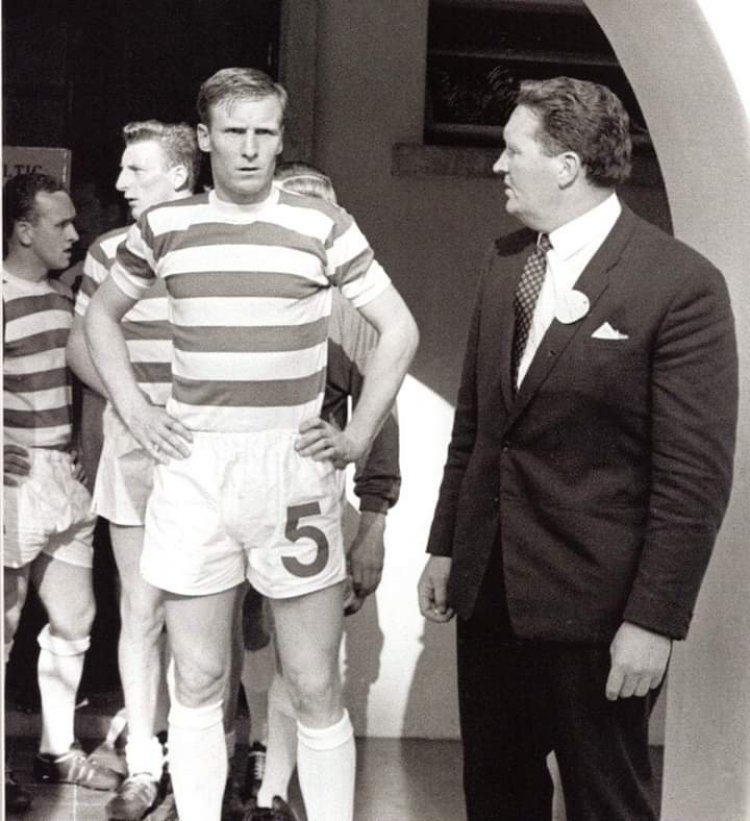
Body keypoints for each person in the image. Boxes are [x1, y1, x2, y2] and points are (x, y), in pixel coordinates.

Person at [83, 67, 419, 821]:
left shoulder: (320, 224)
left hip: (290, 468)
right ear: (204, 139)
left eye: (265, 131)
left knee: (314, 682)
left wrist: (359, 431)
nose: (250, 148)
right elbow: (99, 318)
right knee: (199, 677)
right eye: (234, 132)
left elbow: (399, 329)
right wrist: (136, 409)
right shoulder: (164, 227)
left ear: (279, 135)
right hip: (196, 466)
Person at [418, 76, 738, 821]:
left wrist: (654, 621)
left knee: (607, 804)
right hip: (490, 597)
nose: (498, 166)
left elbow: (693, 478)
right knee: (496, 798)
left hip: (600, 617)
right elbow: (478, 427)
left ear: (566, 165)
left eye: (513, 149)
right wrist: (446, 548)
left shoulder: (680, 286)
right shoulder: (506, 265)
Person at [235, 163, 401, 821]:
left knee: (308, 656)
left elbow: (378, 417)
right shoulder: (229, 295)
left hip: (309, 500)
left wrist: (376, 522)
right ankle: (239, 767)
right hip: (228, 493)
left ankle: (275, 790)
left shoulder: (355, 311)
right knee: (228, 640)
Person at [66, 119, 202, 820]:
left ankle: (201, 756)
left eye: (136, 170)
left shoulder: (214, 237)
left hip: (204, 453)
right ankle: (145, 763)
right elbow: (82, 344)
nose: (120, 185)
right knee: (141, 610)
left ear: (179, 175)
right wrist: (135, 407)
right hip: (132, 448)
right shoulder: (108, 249)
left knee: (202, 617)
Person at [3, 173, 123, 815]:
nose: (76, 234)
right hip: (13, 484)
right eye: (61, 224)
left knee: (75, 620)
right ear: (25, 230)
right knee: (3, 623)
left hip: (64, 479)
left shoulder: (65, 301)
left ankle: (55, 748)